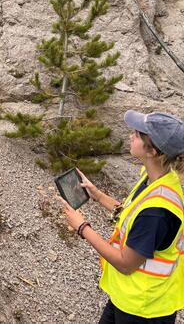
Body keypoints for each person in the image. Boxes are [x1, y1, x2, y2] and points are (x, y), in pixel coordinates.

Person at [60, 110, 184, 323]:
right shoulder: (156, 179)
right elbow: (130, 213)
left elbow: (126, 263)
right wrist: (97, 195)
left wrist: (82, 227)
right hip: (128, 298)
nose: (130, 136)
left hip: (143, 309)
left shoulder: (157, 212)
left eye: (137, 134)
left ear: (152, 151)